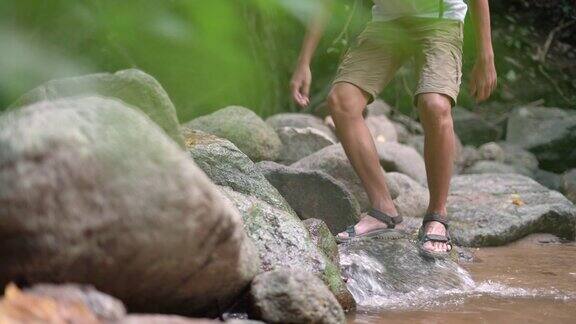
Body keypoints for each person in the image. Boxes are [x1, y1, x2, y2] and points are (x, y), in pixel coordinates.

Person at [290, 0, 496, 258]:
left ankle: (437, 216)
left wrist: (486, 55)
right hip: (387, 23)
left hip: (441, 19)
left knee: (434, 105)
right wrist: (304, 61)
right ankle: (383, 208)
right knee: (342, 100)